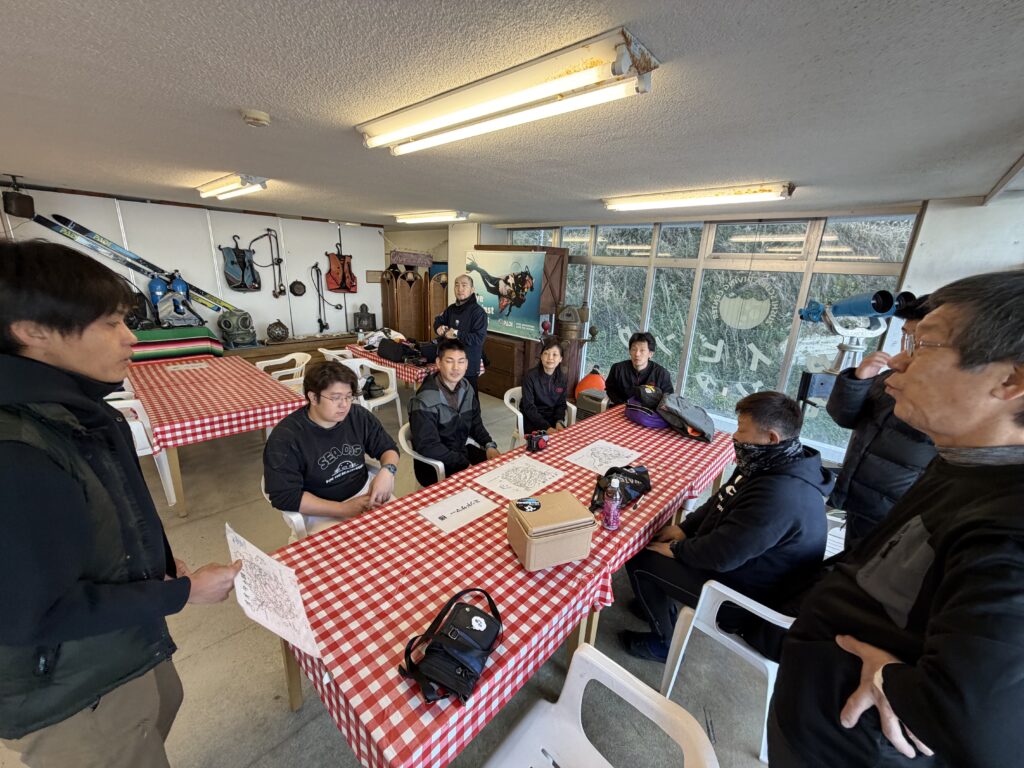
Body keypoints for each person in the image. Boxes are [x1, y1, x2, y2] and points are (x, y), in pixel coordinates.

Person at [0, 239, 241, 768]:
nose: (131, 336)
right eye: (111, 323)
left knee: (162, 704)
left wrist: (155, 565)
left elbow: (99, 522)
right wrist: (181, 592)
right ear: (33, 331)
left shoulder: (75, 411)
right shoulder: (17, 448)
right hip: (70, 687)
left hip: (121, 640)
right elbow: (32, 613)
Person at [769, 270, 1024, 768]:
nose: (900, 362)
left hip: (848, 748)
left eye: (923, 344)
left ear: (1010, 380)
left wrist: (894, 681)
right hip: (817, 713)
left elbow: (983, 728)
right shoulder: (963, 463)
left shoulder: (1006, 525)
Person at [623, 391, 832, 662]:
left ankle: (664, 644)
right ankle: (654, 604)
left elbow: (721, 555)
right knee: (657, 542)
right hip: (735, 566)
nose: (735, 436)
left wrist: (677, 549)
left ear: (771, 438)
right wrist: (686, 528)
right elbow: (722, 497)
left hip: (743, 600)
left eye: (742, 430)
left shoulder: (780, 496)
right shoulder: (767, 462)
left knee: (640, 558)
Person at [827, 297, 937, 548]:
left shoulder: (949, 401)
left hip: (894, 512)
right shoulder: (891, 376)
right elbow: (844, 417)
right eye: (906, 337)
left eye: (917, 342)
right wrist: (859, 380)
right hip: (860, 496)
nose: (898, 357)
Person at [263, 361, 399, 536]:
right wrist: (342, 509)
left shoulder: (358, 416)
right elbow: (285, 496)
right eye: (335, 398)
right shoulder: (287, 437)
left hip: (365, 492)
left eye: (349, 397)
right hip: (320, 510)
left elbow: (388, 448)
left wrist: (388, 471)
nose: (344, 405)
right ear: (313, 398)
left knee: (400, 535)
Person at [408, 338, 500, 486]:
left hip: (460, 452)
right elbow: (428, 446)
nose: (456, 367)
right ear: (438, 363)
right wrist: (463, 464)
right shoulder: (425, 400)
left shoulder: (466, 388)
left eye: (461, 361)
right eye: (449, 361)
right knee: (480, 486)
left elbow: (475, 423)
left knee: (499, 469)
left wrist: (489, 444)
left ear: (467, 364)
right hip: (432, 466)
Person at [434, 273, 487, 392]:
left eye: (464, 285)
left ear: (472, 289)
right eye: (456, 285)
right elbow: (438, 321)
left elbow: (478, 338)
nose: (460, 289)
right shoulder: (451, 309)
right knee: (450, 394)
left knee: (470, 396)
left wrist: (456, 334)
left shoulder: (478, 312)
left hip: (468, 363)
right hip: (450, 361)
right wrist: (438, 327)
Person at [605, 331, 674, 405]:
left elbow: (668, 398)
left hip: (649, 411)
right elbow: (610, 389)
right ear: (630, 351)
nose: (637, 354)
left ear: (650, 354)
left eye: (642, 350)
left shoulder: (662, 374)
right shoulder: (617, 369)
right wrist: (622, 404)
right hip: (622, 407)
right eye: (634, 349)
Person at [520, 336, 570, 434]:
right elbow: (529, 407)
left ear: (560, 359)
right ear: (541, 356)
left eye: (554, 354)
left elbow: (561, 404)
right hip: (532, 420)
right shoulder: (530, 376)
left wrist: (559, 421)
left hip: (552, 420)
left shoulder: (562, 379)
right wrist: (546, 427)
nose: (550, 358)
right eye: (546, 353)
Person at [466, 255, 535, 316]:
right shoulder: (520, 280)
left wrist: (507, 311)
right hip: (501, 282)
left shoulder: (515, 297)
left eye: (528, 287)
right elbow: (510, 281)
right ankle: (475, 267)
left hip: (503, 289)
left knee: (488, 289)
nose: (526, 288)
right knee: (490, 279)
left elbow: (510, 303)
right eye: (528, 285)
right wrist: (511, 281)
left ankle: (477, 269)